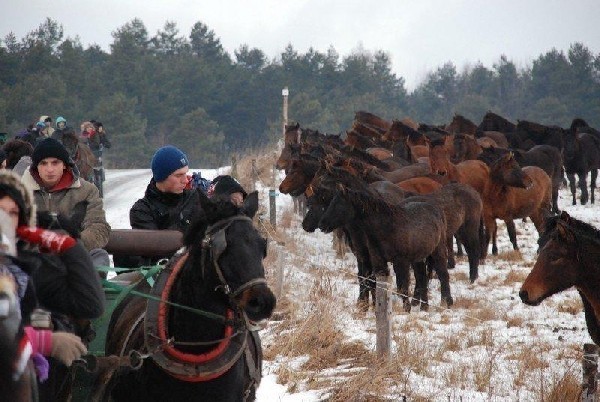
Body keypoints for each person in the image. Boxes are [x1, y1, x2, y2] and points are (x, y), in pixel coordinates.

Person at [0, 169, 102, 400]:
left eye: (12, 214)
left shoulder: (27, 272)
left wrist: (68, 246)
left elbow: (90, 304)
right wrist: (42, 342)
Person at [20, 138, 111, 268]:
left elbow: (98, 226)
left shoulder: (86, 191)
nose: (49, 169)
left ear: (64, 165)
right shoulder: (20, 192)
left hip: (75, 256)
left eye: (55, 163)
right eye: (43, 163)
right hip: (33, 259)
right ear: (36, 167)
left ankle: (89, 284)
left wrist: (71, 243)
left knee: (99, 255)